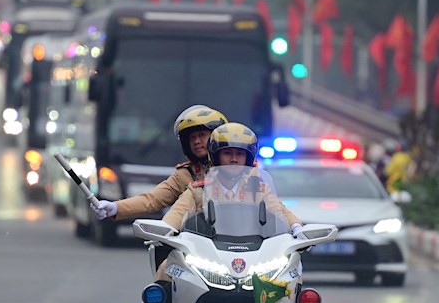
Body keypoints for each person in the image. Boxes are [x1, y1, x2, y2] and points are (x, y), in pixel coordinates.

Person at [155, 123, 304, 281]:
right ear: (215, 156)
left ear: (248, 158)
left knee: (293, 271)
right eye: (227, 153)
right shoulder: (199, 190)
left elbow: (281, 211)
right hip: (207, 258)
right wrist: (163, 229)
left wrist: (298, 229)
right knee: (167, 267)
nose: (234, 159)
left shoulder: (258, 189)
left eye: (240, 154)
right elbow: (176, 213)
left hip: (254, 257)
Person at [90, 105, 227, 221]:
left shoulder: (235, 169)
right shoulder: (185, 175)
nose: (196, 141)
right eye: (192, 138)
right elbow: (152, 199)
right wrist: (115, 207)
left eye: (202, 135)